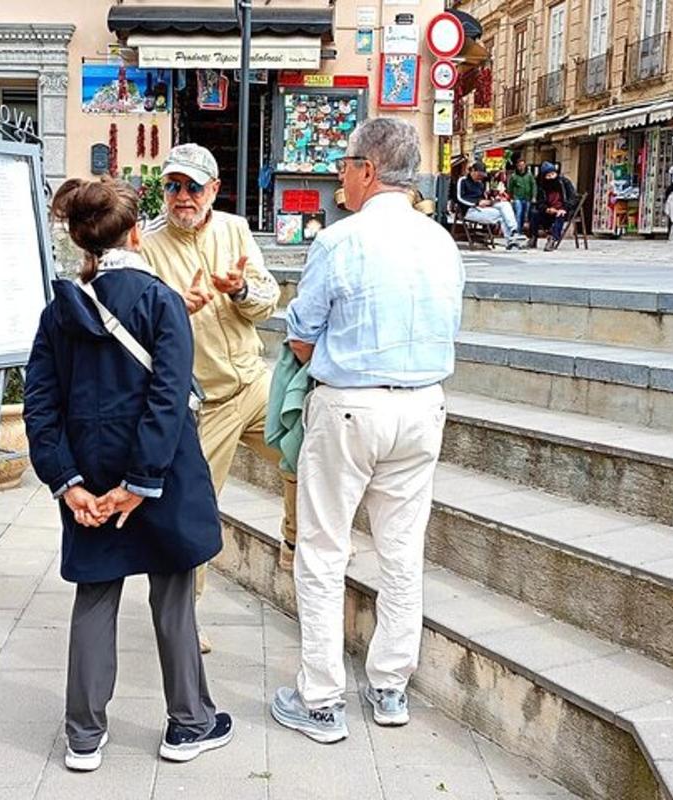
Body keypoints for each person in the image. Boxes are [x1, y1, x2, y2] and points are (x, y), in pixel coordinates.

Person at [24, 177, 232, 773]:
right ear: (136, 232)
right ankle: (188, 724)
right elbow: (167, 400)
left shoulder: (58, 312)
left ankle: (83, 736)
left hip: (87, 476)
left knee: (95, 597)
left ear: (82, 241)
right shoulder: (160, 301)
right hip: (160, 473)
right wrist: (140, 483)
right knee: (173, 596)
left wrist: (69, 484)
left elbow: (41, 405)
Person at [269, 118, 464, 743]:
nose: (340, 178)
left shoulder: (341, 240)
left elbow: (301, 331)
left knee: (324, 552)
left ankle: (321, 698)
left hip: (351, 405)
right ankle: (388, 688)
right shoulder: (442, 242)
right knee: (402, 552)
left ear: (367, 170)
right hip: (423, 407)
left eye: (345, 166)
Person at [140, 144, 297, 652]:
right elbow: (134, 326)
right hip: (200, 400)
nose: (181, 197)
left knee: (309, 445)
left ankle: (294, 542)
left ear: (213, 190)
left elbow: (268, 300)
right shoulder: (146, 242)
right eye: (173, 186)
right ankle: (184, 619)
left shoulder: (234, 229)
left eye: (192, 187)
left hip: (252, 380)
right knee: (192, 510)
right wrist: (173, 309)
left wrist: (239, 292)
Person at [456, 161, 521, 248]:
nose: (480, 178)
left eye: (481, 176)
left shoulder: (480, 184)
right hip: (469, 210)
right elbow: (459, 198)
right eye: (479, 175)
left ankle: (514, 230)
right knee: (501, 215)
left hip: (483, 208)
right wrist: (476, 203)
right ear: (473, 171)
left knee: (505, 205)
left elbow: (483, 197)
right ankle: (511, 241)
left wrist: (491, 200)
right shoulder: (462, 180)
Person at [532, 161, 577, 251]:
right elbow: (540, 202)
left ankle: (552, 239)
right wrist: (547, 209)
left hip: (563, 210)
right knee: (534, 213)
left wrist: (564, 209)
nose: (551, 177)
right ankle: (533, 238)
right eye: (548, 176)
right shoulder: (542, 186)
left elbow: (572, 198)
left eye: (553, 174)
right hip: (549, 211)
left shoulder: (564, 182)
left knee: (560, 216)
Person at [508, 155, 536, 235]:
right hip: (517, 198)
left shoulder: (529, 176)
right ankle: (518, 231)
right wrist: (511, 198)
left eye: (523, 165)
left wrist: (534, 196)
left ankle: (523, 230)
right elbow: (510, 188)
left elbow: (534, 186)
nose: (521, 167)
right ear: (517, 166)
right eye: (519, 165)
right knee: (518, 213)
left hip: (528, 198)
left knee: (525, 215)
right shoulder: (514, 176)